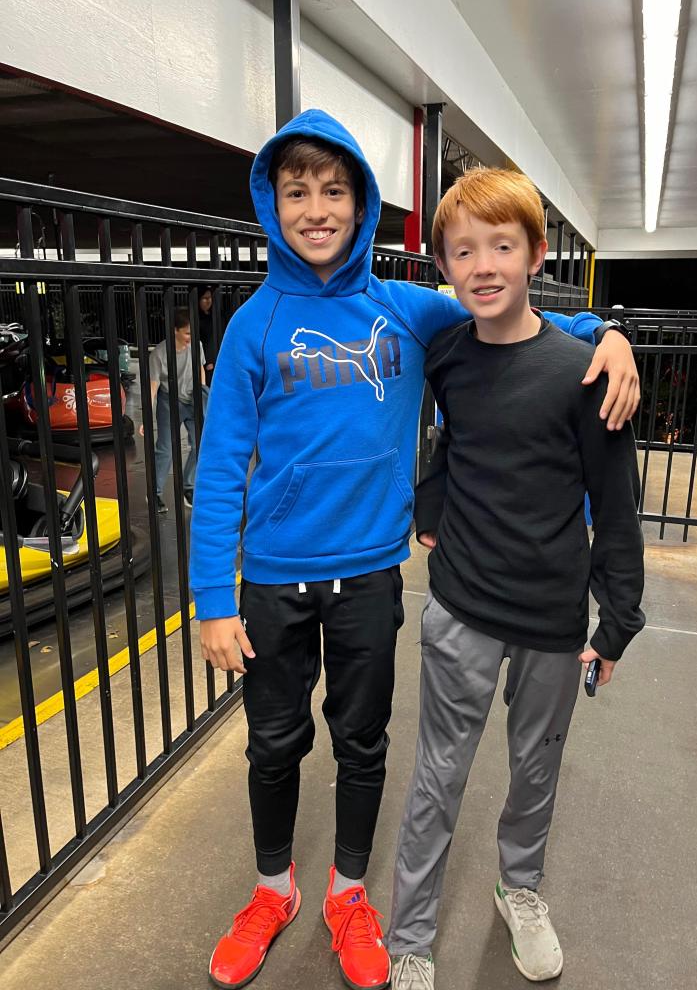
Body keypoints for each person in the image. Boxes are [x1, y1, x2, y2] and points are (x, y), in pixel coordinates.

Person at [189, 109, 640, 990]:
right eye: (296, 193)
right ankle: (272, 891)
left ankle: (349, 897)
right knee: (272, 744)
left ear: (361, 205)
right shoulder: (253, 324)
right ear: (272, 205)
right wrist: (212, 598)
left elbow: (509, 313)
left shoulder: (406, 309)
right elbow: (219, 466)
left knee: (363, 743)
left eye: (334, 191)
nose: (316, 209)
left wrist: (606, 331)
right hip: (274, 579)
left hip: (369, 575)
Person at [386, 168, 645, 989]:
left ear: (536, 255)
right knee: (438, 776)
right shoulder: (445, 357)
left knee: (536, 769)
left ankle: (519, 888)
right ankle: (410, 938)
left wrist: (619, 621)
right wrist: (431, 498)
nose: (484, 266)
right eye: (464, 251)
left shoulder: (584, 372)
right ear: (444, 267)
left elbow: (617, 505)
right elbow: (451, 439)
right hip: (461, 605)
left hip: (553, 619)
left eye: (502, 246)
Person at [141, 308, 206, 512]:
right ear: (174, 330)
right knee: (166, 449)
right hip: (169, 401)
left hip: (192, 399)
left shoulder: (196, 345)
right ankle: (154, 493)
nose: (191, 337)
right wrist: (146, 416)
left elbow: (200, 369)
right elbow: (153, 387)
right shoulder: (159, 354)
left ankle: (189, 487)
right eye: (187, 333)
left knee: (201, 445)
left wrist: (202, 393)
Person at [197, 287, 217, 386]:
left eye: (210, 298)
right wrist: (208, 360)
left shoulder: (216, 315)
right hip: (204, 362)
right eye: (204, 298)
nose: (208, 301)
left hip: (216, 360)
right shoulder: (196, 318)